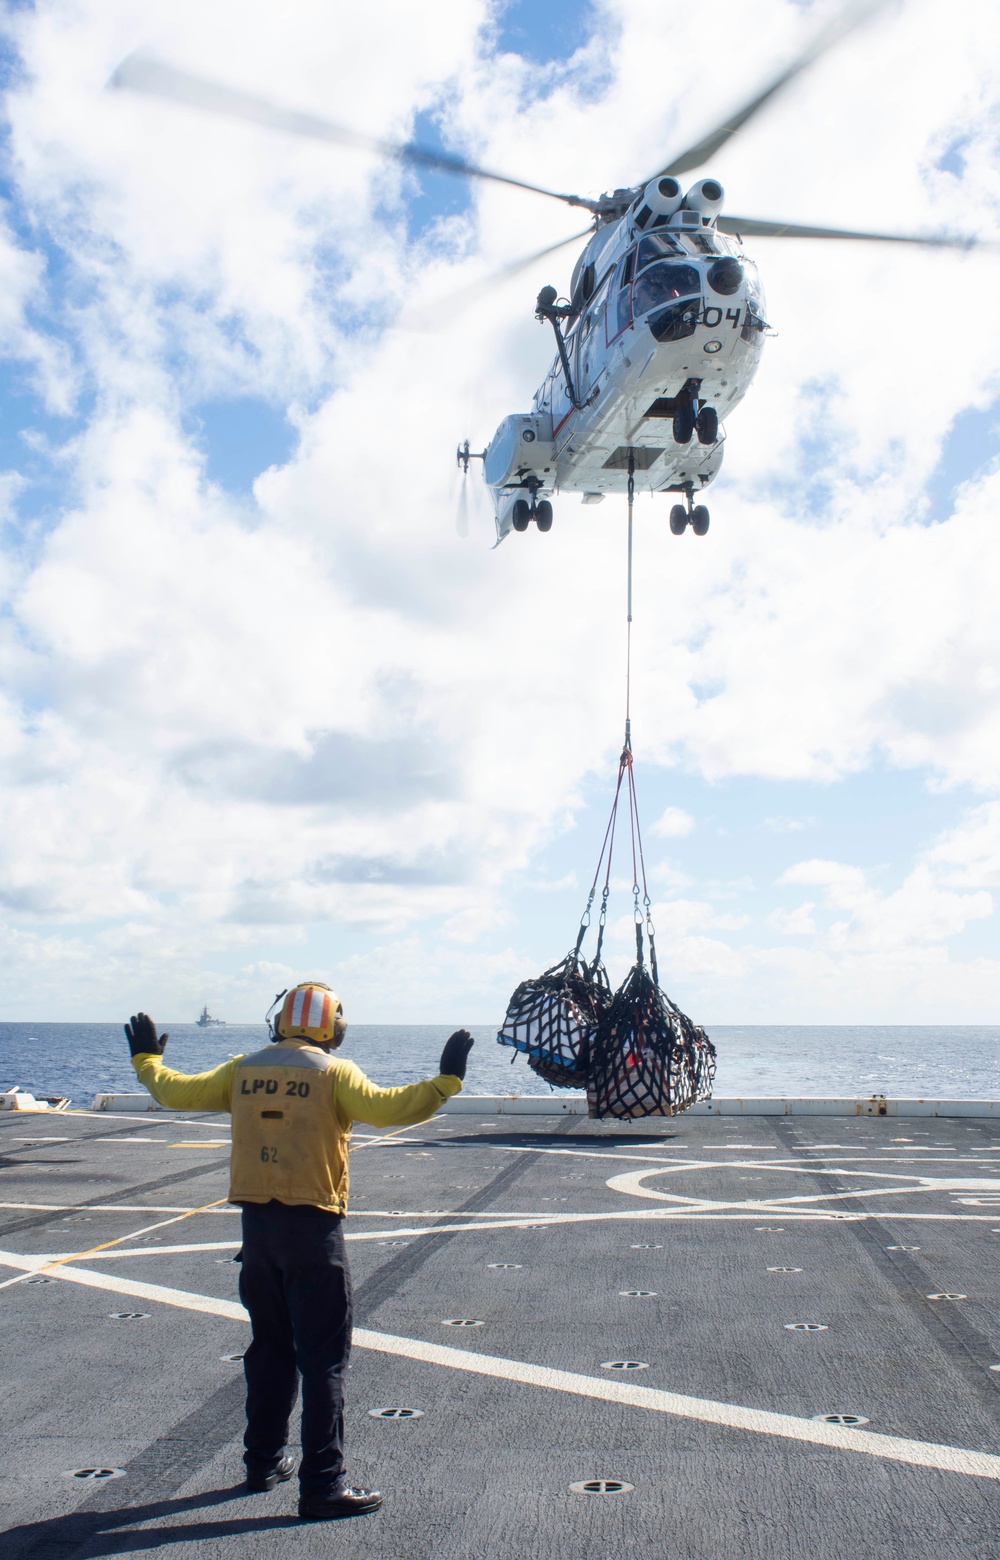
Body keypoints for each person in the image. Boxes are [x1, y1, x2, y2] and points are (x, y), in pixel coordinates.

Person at [125, 981, 474, 1522]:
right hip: (313, 1232)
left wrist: (147, 1059)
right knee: (323, 1361)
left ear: (280, 1023)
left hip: (258, 1234)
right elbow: (391, 1109)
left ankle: (262, 1461)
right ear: (331, 1027)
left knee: (269, 1349)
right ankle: (322, 1485)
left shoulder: (242, 1069)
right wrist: (447, 1080)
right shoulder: (334, 1073)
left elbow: (175, 1092)